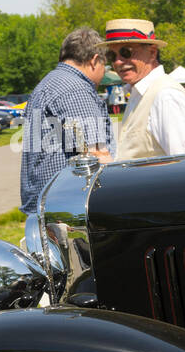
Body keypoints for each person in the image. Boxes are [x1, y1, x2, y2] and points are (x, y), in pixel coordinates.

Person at [19, 26, 115, 216]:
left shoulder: (50, 82)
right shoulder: (76, 89)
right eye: (105, 65)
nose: (104, 73)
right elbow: (96, 153)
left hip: (46, 204)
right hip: (65, 209)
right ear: (95, 60)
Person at [100, 18, 185, 159]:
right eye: (112, 55)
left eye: (126, 52)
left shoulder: (166, 96)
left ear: (152, 52)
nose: (118, 61)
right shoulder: (139, 93)